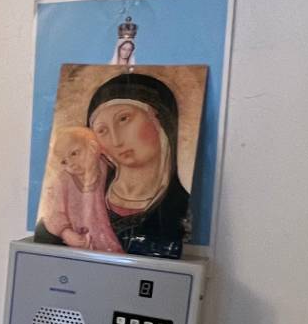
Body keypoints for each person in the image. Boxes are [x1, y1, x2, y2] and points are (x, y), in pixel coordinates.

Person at [35, 72, 191, 257]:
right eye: (102, 130)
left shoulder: (180, 211)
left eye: (124, 119)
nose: (116, 140)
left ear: (160, 120)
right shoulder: (73, 193)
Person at [38, 125, 123, 253]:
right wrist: (65, 232)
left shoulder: (111, 170)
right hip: (79, 242)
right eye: (64, 162)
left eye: (74, 153)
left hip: (111, 243)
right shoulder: (63, 180)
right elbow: (53, 211)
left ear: (93, 148)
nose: (71, 163)